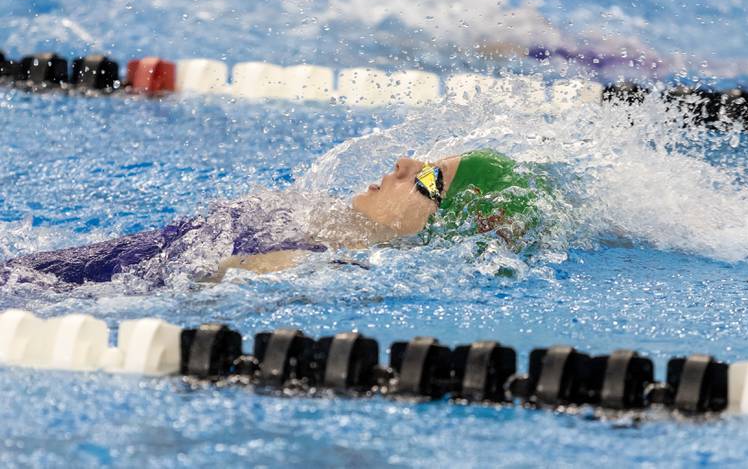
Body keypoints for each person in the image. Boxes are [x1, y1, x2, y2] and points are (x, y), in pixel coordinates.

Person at [0, 149, 547, 286]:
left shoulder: (325, 263)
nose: (406, 163)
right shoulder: (312, 217)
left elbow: (196, 280)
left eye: (430, 179)